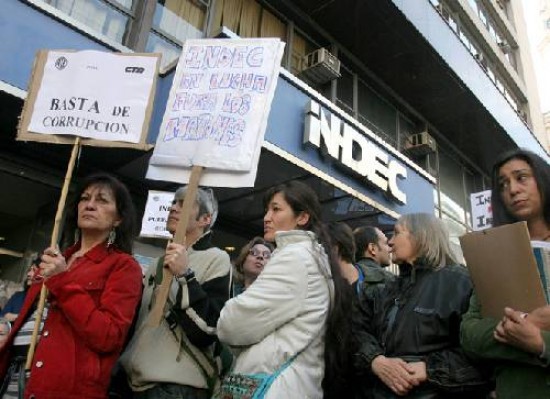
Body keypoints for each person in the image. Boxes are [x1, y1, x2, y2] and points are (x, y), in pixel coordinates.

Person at [0, 173, 143, 398]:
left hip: (63, 389)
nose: (90, 205)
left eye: (102, 200)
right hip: (15, 380)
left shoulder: (124, 266)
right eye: (85, 198)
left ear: (118, 219)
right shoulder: (56, 259)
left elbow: (109, 336)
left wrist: (63, 281)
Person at [216, 181, 353, 398]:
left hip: (275, 387)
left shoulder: (295, 257)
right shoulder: (311, 258)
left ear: (302, 217)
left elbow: (230, 325)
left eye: (276, 209)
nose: (266, 217)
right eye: (267, 210)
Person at [353, 213, 489, 398]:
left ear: (421, 236)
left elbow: (484, 354)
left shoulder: (463, 284)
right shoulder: (385, 290)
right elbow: (356, 331)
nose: (390, 242)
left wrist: (430, 369)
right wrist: (376, 360)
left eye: (396, 233)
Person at [120, 186, 231, 399]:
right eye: (173, 202)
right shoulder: (156, 264)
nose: (173, 208)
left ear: (205, 219)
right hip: (133, 382)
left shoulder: (217, 258)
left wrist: (185, 275)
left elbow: (208, 328)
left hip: (176, 386)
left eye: (183, 203)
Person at [461, 148, 550, 398]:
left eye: (521, 178)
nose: (512, 190)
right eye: (503, 184)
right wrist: (524, 329)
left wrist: (542, 344)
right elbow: (469, 334)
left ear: (542, 179)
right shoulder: (494, 253)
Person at [353, 225, 394, 296]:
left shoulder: (344, 275)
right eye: (385, 243)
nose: (390, 249)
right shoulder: (388, 279)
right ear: (372, 249)